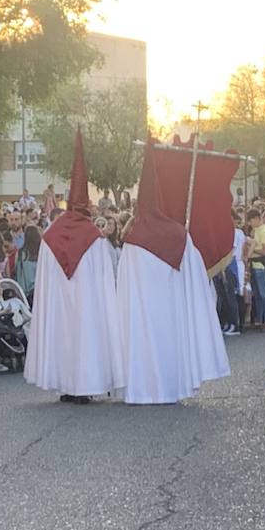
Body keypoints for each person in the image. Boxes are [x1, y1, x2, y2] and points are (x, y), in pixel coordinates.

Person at [117, 140, 229, 405]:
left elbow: (124, 289)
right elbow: (195, 279)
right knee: (170, 342)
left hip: (141, 313)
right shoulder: (178, 235)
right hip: (171, 309)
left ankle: (141, 390)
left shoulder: (131, 240)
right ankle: (171, 388)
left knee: (143, 342)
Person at [24, 131, 125, 403]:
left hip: (59, 300)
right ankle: (84, 384)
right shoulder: (93, 236)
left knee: (62, 337)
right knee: (85, 337)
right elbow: (104, 278)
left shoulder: (51, 234)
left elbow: (45, 277)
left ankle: (66, 386)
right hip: (87, 300)